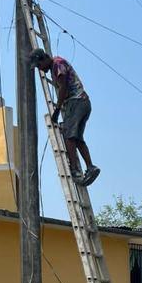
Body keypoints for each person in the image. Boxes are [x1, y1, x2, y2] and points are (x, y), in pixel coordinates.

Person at [30, 49, 100, 187]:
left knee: (69, 136)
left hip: (76, 102)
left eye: (39, 65)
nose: (40, 69)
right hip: (83, 102)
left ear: (43, 59)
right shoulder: (56, 64)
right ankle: (90, 167)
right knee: (77, 138)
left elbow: (64, 88)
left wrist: (57, 109)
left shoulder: (57, 64)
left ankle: (75, 171)